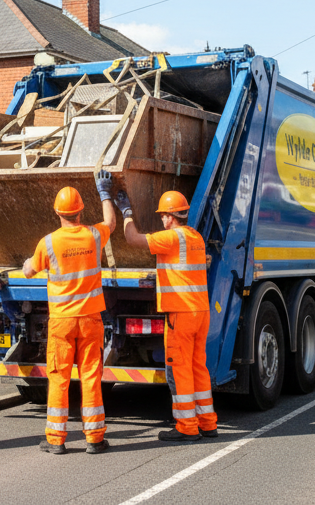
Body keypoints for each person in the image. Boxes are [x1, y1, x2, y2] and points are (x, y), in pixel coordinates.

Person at [22, 172, 117, 455]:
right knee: (90, 376)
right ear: (80, 211)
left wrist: (28, 262)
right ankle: (95, 438)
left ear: (57, 212)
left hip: (62, 321)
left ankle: (56, 440)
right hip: (90, 320)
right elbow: (111, 221)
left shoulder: (48, 242)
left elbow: (29, 271)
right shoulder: (93, 235)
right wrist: (105, 192)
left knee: (59, 378)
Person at [117, 188, 218, 443]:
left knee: (180, 370)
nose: (162, 220)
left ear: (171, 217)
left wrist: (126, 211)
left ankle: (186, 426)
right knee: (198, 367)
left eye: (163, 215)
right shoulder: (196, 237)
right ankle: (207, 423)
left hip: (181, 314)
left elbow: (132, 239)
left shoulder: (171, 238)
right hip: (200, 312)